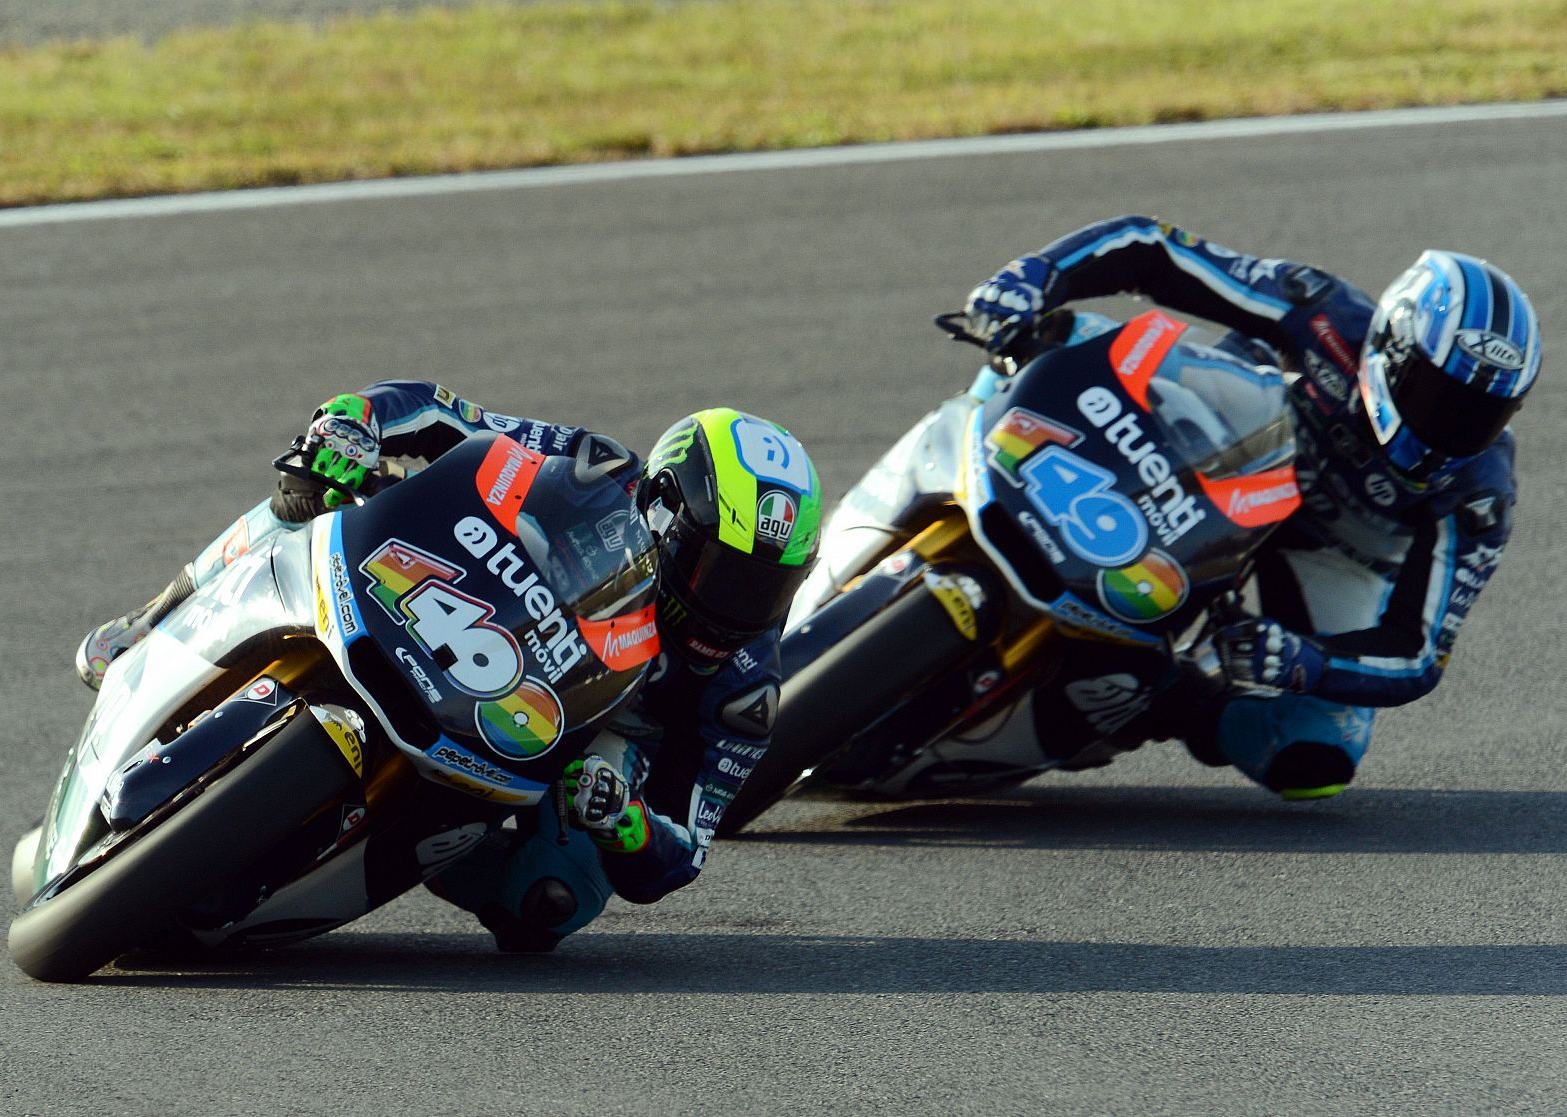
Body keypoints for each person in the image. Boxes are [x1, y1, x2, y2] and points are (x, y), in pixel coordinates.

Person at [75, 381, 823, 951]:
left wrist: (624, 822)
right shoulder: (596, 471)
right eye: (724, 573)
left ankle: (417, 839)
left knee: (548, 902)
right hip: (460, 610)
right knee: (309, 488)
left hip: (567, 750)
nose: (738, 609)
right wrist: (353, 425)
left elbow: (685, 849)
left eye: (768, 586)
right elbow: (444, 414)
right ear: (665, 513)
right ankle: (152, 616)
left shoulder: (744, 689)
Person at [962, 215, 1541, 799]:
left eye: (1479, 415)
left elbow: (1417, 653)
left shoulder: (1479, 496)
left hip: (1338, 554)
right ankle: (966, 433)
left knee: (1314, 760)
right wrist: (1037, 275)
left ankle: (1174, 702)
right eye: (1439, 396)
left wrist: (1306, 661)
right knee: (1061, 336)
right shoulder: (1324, 315)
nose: (1453, 427)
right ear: (1390, 347)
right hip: (1221, 436)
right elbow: (1154, 250)